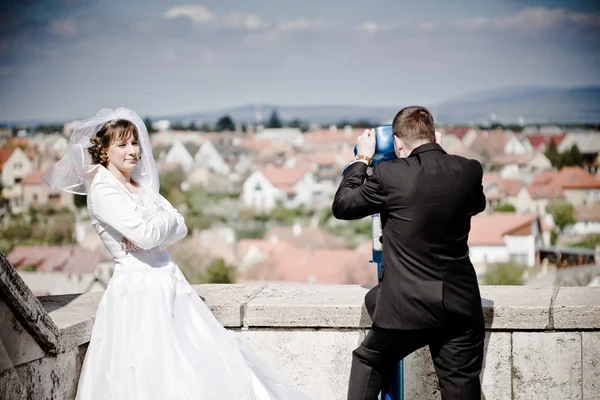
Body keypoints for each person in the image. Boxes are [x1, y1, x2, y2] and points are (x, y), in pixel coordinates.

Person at [42, 107, 310, 400]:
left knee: (201, 364)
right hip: (139, 292)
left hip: (171, 285)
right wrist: (159, 227)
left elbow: (179, 225)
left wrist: (158, 228)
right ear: (104, 150)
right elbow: (148, 234)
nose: (132, 151)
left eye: (134, 143)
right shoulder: (104, 190)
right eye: (122, 144)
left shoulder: (139, 186)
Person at [332, 106, 486, 400]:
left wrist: (362, 159)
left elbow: (343, 206)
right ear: (433, 136)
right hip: (459, 304)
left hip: (406, 309)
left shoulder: (388, 174)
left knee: (368, 359)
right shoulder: (468, 170)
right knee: (461, 386)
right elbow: (475, 204)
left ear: (398, 144)